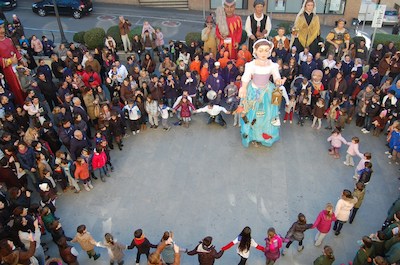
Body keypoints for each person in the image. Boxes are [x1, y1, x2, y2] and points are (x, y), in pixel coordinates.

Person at [238, 39, 288, 147]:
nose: (264, 53)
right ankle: (252, 135)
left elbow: (276, 77)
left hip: (267, 91)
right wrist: (243, 88)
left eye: (266, 50)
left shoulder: (272, 65)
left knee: (266, 116)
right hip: (253, 91)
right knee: (252, 114)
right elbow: (246, 77)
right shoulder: (250, 65)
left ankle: (262, 137)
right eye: (261, 50)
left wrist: (279, 81)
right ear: (255, 51)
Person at [0, 19, 26, 105]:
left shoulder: (9, 39)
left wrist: (21, 59)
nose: (2, 30)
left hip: (17, 64)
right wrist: (10, 60)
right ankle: (21, 102)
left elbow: (15, 50)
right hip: (9, 68)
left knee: (23, 82)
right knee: (16, 86)